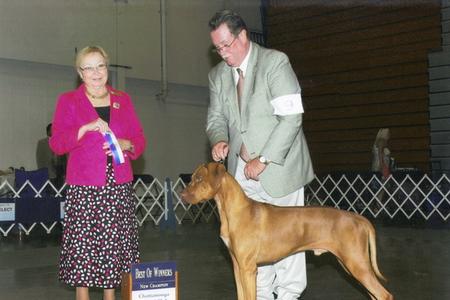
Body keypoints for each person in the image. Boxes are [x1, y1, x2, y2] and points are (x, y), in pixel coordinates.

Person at [206, 9, 314, 300]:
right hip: (240, 172)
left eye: (227, 45)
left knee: (289, 246)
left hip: (280, 168)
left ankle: (289, 296)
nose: (223, 53)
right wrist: (218, 139)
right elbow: (216, 118)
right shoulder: (217, 75)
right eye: (217, 48)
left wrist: (263, 158)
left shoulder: (275, 62)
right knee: (249, 246)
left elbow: (291, 119)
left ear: (242, 36)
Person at [49, 46, 146, 300]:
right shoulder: (68, 101)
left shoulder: (122, 99)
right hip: (84, 186)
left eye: (100, 65)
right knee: (85, 248)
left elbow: (139, 139)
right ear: (80, 72)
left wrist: (126, 144)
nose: (95, 72)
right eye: (89, 67)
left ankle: (110, 297)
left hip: (118, 185)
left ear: (107, 68)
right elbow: (57, 143)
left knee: (113, 247)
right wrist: (84, 129)